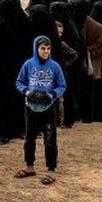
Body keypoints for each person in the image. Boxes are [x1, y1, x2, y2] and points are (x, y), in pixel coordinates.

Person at [14, 36, 66, 185]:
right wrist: (27, 92)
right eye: (43, 48)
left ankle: (51, 169)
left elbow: (62, 85)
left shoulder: (55, 66)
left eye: (48, 49)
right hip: (30, 107)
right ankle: (29, 166)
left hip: (48, 108)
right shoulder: (28, 65)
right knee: (29, 138)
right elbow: (19, 81)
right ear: (36, 49)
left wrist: (52, 95)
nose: (46, 51)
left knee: (50, 139)